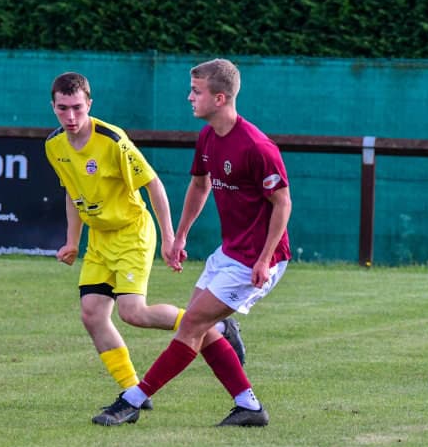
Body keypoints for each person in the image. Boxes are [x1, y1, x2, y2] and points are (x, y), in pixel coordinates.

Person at [93, 58, 291, 427]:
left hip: (257, 259)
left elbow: (283, 204)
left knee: (192, 326)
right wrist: (179, 235)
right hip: (229, 252)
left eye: (196, 92)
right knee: (200, 325)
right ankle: (248, 407)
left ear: (219, 98)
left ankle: (132, 400)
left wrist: (265, 259)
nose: (189, 97)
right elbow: (200, 185)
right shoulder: (207, 137)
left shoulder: (257, 146)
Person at [45, 72, 245, 421]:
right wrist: (72, 241)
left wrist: (169, 237)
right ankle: (131, 392)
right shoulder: (54, 145)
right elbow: (72, 194)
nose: (71, 116)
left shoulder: (112, 140)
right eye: (63, 109)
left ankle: (214, 327)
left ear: (89, 104)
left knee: (133, 313)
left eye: (77, 107)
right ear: (53, 107)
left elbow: (153, 184)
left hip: (131, 232)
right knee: (92, 314)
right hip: (100, 239)